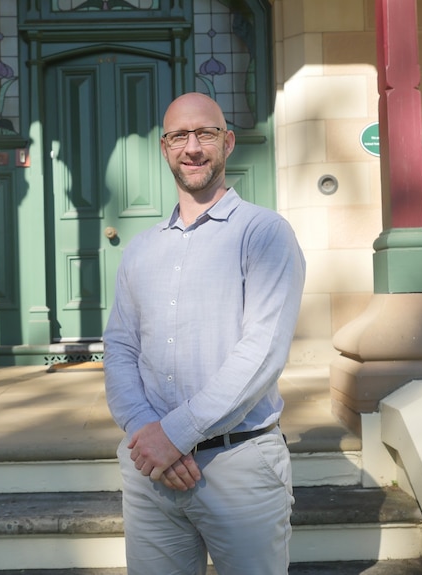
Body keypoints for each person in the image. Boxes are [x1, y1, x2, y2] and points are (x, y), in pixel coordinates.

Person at [103, 92, 306, 575]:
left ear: (228, 142)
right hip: (150, 468)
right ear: (164, 147)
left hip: (237, 468)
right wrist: (145, 433)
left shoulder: (265, 233)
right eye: (179, 136)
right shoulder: (140, 249)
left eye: (205, 134)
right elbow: (120, 348)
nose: (192, 147)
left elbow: (261, 353)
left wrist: (173, 434)